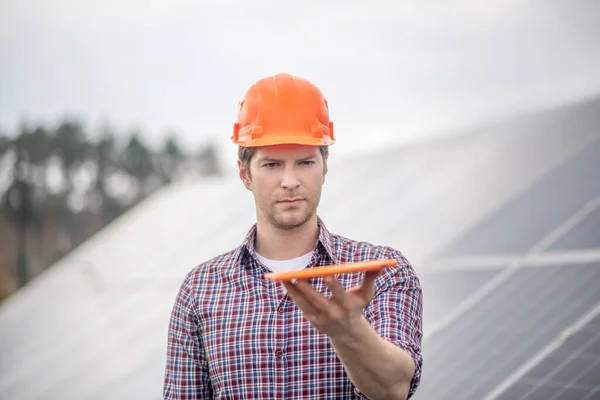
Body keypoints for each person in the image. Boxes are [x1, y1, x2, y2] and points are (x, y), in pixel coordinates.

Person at [163, 73, 423, 399]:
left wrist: (348, 332)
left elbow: (395, 388)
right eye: (272, 165)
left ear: (324, 167)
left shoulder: (381, 271)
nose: (289, 181)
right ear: (245, 174)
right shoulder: (201, 290)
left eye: (304, 162)